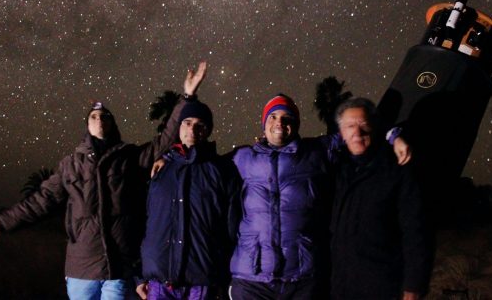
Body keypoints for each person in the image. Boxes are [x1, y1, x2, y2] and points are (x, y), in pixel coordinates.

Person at [0, 62, 207, 300]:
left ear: (112, 124)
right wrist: (1, 223)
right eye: (94, 116)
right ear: (87, 125)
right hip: (81, 269)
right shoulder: (71, 164)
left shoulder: (129, 158)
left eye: (105, 116)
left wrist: (187, 97)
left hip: (118, 267)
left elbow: (165, 139)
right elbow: (40, 201)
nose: (99, 119)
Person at [227, 94, 411, 300]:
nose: (280, 122)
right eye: (273, 116)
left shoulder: (316, 152)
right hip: (252, 281)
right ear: (264, 124)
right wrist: (189, 98)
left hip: (302, 279)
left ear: (296, 125)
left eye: (287, 118)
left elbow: (358, 130)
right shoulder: (243, 158)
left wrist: (394, 136)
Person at [136, 76, 241, 300]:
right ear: (179, 127)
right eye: (187, 122)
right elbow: (144, 222)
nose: (192, 129)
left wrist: (224, 277)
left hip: (201, 282)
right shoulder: (160, 170)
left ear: (208, 130)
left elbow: (231, 229)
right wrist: (139, 275)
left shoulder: (222, 170)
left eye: (200, 125)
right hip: (158, 282)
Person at [330, 97, 431, 300]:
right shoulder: (334, 169)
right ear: (341, 133)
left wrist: (413, 286)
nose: (357, 133)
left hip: (384, 285)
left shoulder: (397, 170)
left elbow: (416, 232)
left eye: (363, 125)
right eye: (350, 126)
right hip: (340, 285)